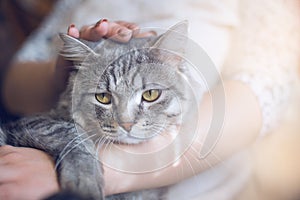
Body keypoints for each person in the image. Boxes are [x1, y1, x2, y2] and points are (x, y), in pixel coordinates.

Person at [0, 0, 299, 199]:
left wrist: (97, 169)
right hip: (39, 137)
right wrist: (63, 74)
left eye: (151, 95)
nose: (127, 122)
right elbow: (13, 85)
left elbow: (262, 94)